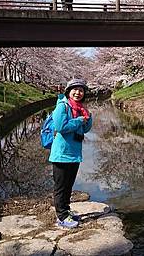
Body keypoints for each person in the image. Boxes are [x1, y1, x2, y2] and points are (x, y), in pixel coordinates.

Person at [50, 78, 93, 229]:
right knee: (61, 187)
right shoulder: (62, 106)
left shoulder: (80, 108)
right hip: (61, 154)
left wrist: (88, 118)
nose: (78, 92)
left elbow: (85, 129)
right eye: (75, 89)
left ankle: (66, 211)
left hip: (74, 154)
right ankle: (61, 217)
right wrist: (80, 120)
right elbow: (61, 126)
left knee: (69, 185)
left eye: (81, 90)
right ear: (68, 91)